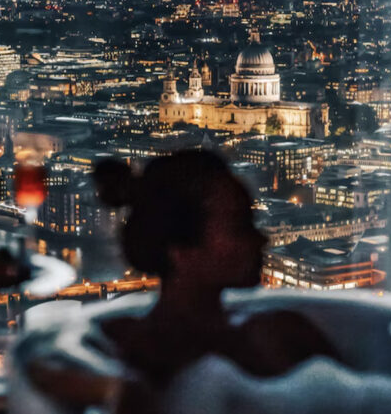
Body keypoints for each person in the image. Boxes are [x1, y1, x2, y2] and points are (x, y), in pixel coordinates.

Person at [92, 150, 339, 409]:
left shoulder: (114, 344)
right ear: (182, 253)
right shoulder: (276, 339)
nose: (261, 239)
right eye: (240, 226)